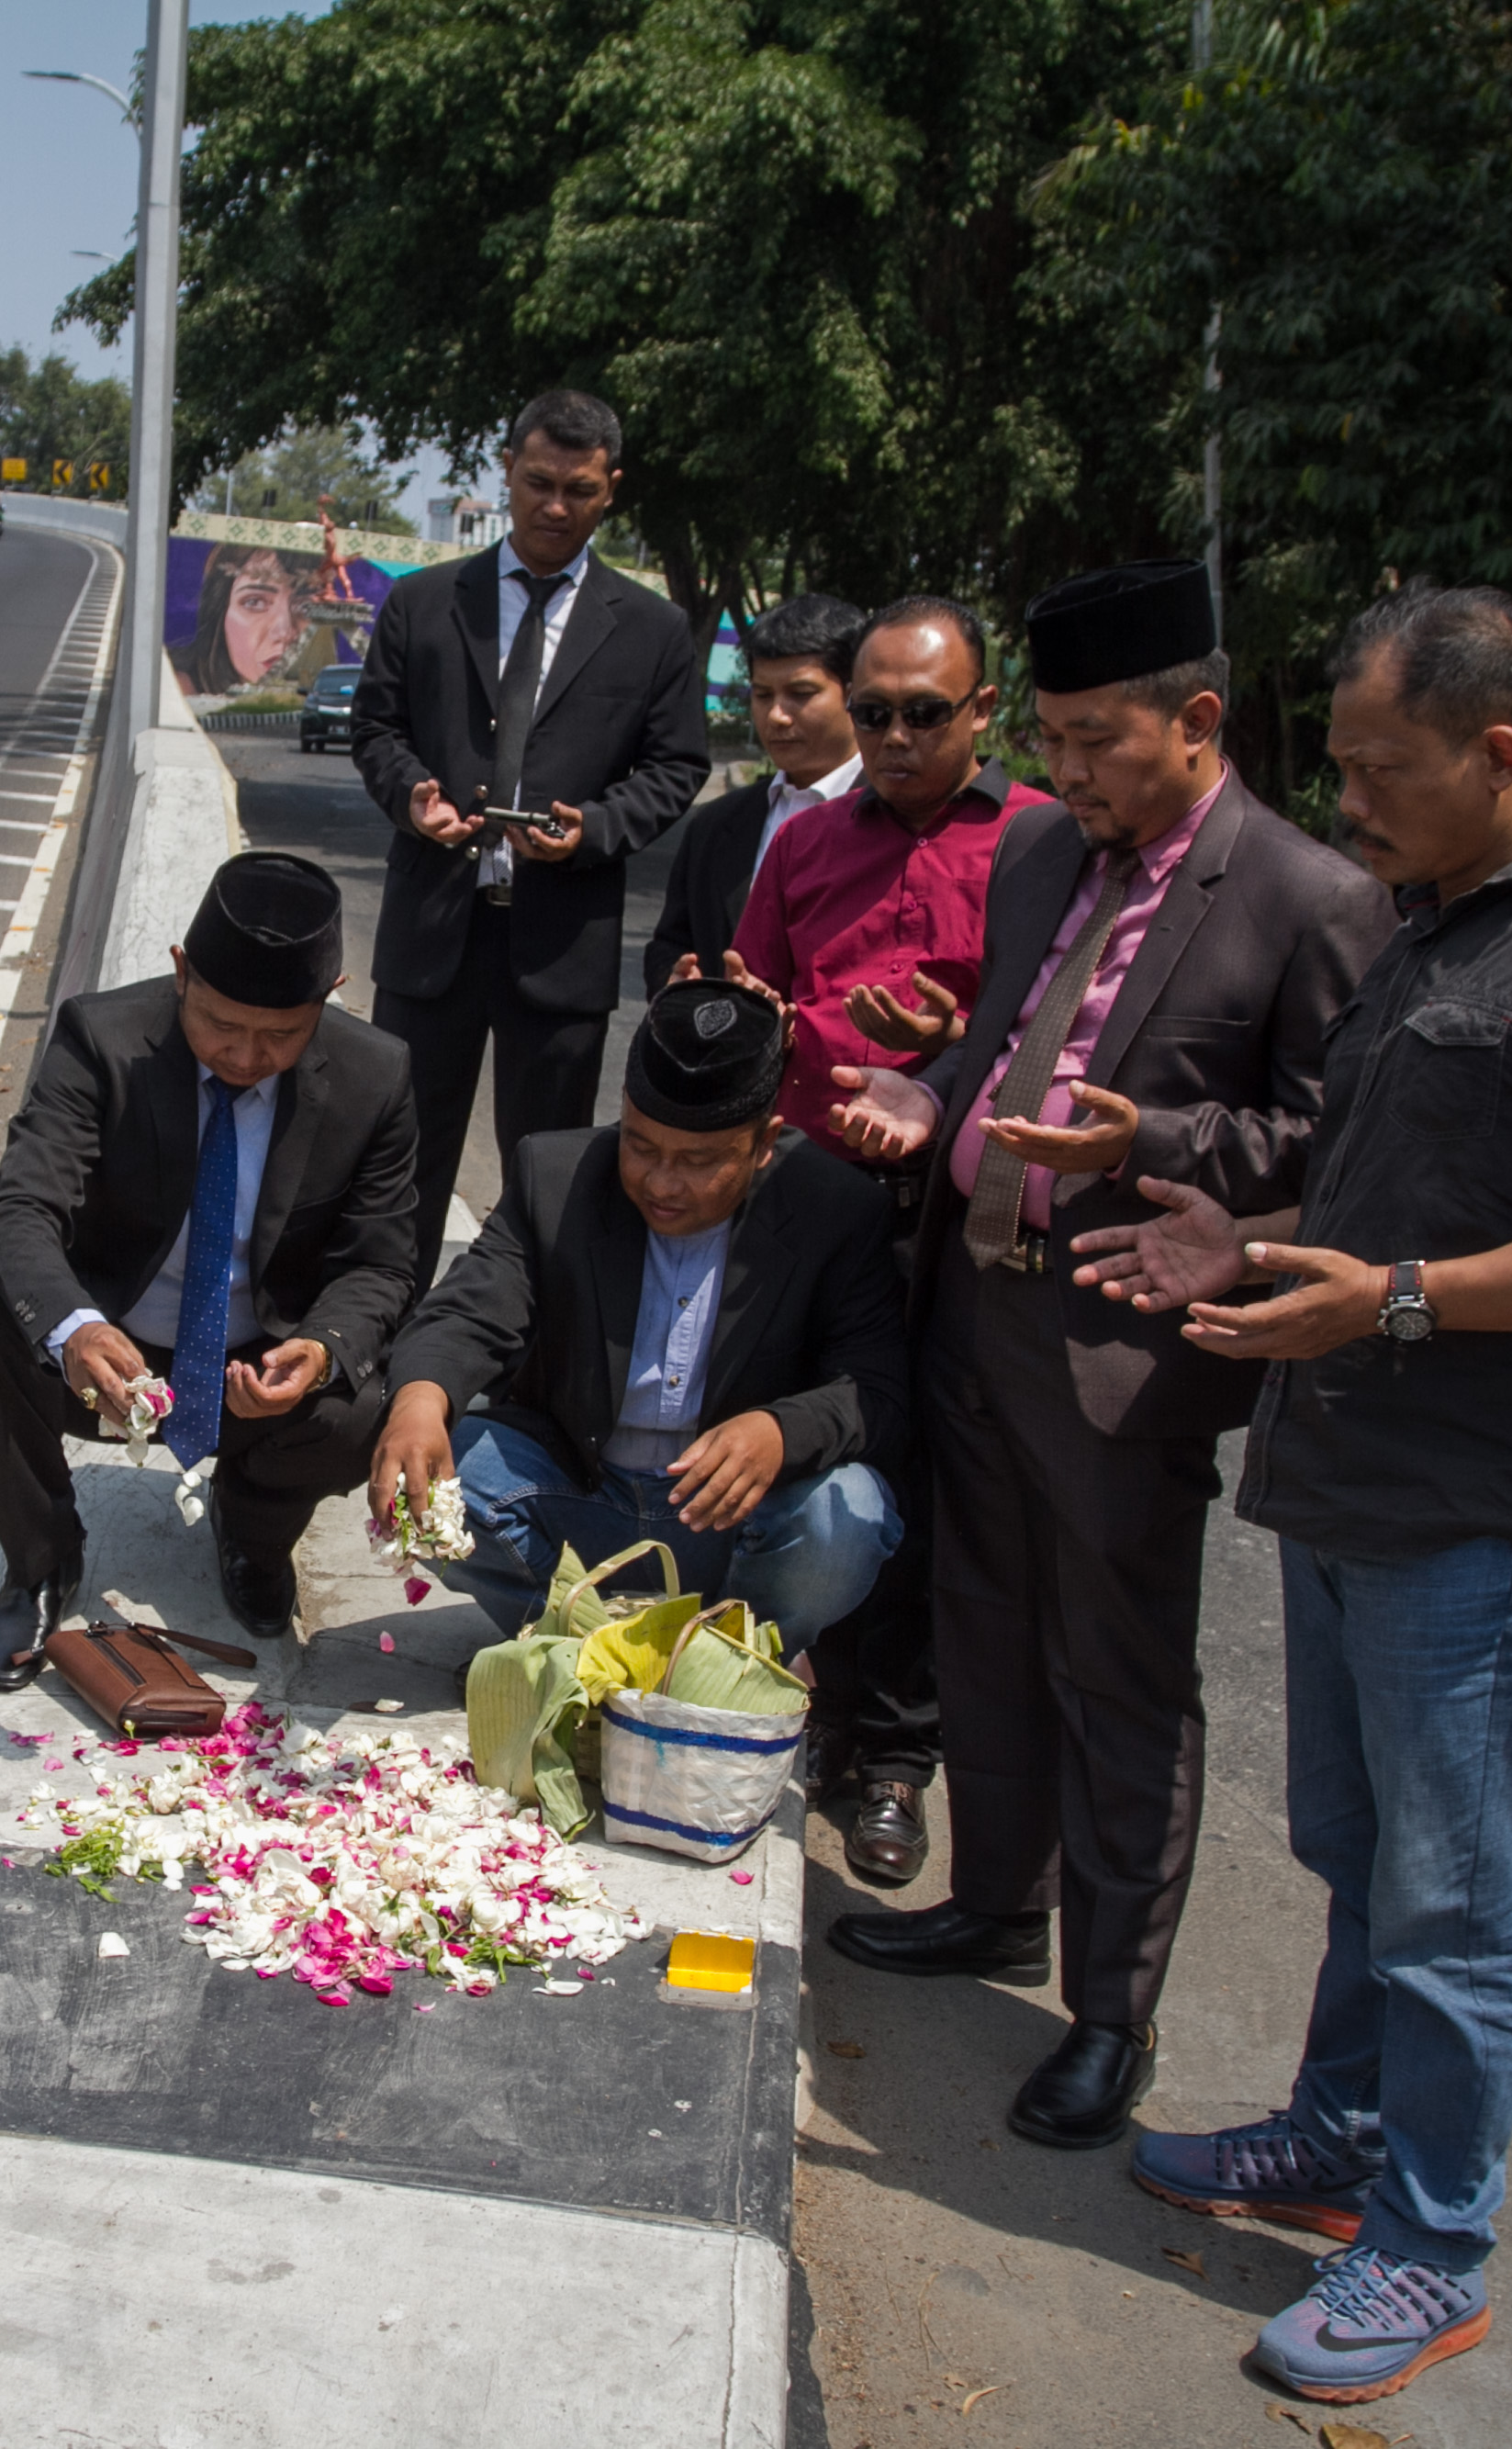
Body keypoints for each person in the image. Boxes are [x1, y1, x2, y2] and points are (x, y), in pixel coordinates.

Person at [1079, 586, 1512, 2406]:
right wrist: (1256, 1235)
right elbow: (1413, 1195)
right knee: (1356, 1853)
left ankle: (1430, 2245)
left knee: (1459, 1899)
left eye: (1378, 768)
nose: (1348, 803)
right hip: (1351, 1481)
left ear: (1498, 750)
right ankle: (1338, 2131)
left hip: (1485, 1508)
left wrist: (1391, 1298)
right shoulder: (1427, 937)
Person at [819, 559, 1395, 2155]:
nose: (1060, 775)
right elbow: (1007, 1033)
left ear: (1196, 724)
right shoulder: (1039, 864)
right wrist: (936, 1092)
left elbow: (1334, 1139)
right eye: (1053, 743)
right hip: (975, 1310)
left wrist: (1165, 1140)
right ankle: (995, 1906)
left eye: (1093, 743)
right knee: (985, 1633)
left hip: (1122, 1344)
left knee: (1120, 1674)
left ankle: (1110, 2011)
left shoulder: (1304, 896)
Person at [694, 592, 1059, 1882]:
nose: (895, 736)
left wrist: (947, 1058)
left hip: (963, 1207)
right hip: (810, 1192)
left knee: (936, 1476)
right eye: (875, 713)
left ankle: (895, 1758)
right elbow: (757, 993)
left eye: (924, 713)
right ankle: (783, 1705)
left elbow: (1062, 1030)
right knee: (808, 1449)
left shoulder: (1040, 840)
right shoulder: (802, 845)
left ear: (983, 711)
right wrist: (740, 1021)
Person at [0, 852, 421, 1674]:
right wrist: (75, 1327)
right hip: (114, 1348)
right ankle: (41, 1556)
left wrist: (317, 1350)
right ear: (181, 971)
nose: (244, 1055)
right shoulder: (101, 1039)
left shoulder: (375, 1077)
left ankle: (254, 1527)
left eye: (281, 1034)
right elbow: (20, 1206)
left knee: (368, 1400)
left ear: (330, 994)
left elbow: (380, 1264)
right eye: (220, 1024)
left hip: (255, 1363)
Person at [369, 979, 909, 1654]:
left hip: (732, 1519)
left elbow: (877, 1387)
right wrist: (419, 1400)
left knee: (846, 1516)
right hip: (584, 1496)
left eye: (698, 1161)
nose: (661, 1182)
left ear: (765, 1142)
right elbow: (470, 1306)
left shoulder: (836, 1209)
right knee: (440, 1475)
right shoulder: (557, 1173)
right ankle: (577, 1647)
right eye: (642, 1146)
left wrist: (779, 1430)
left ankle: (726, 1664)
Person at [348, 389, 712, 1284]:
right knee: (400, 1159)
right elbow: (376, 729)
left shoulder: (654, 630)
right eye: (539, 482)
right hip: (431, 931)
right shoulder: (426, 602)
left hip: (562, 945)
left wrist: (596, 829)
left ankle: (517, 1356)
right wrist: (411, 801)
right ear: (505, 472)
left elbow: (677, 767)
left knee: (546, 1169)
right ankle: (378, 1346)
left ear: (610, 490)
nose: (556, 507)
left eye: (579, 490)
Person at [640, 593, 866, 999]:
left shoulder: (898, 818)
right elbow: (669, 944)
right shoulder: (714, 826)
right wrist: (674, 982)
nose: (777, 715)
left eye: (801, 693)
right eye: (763, 695)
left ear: (856, 695)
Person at [174, 543, 311, 693]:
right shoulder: (172, 691)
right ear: (221, 613)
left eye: (306, 606)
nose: (284, 632)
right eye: (255, 602)